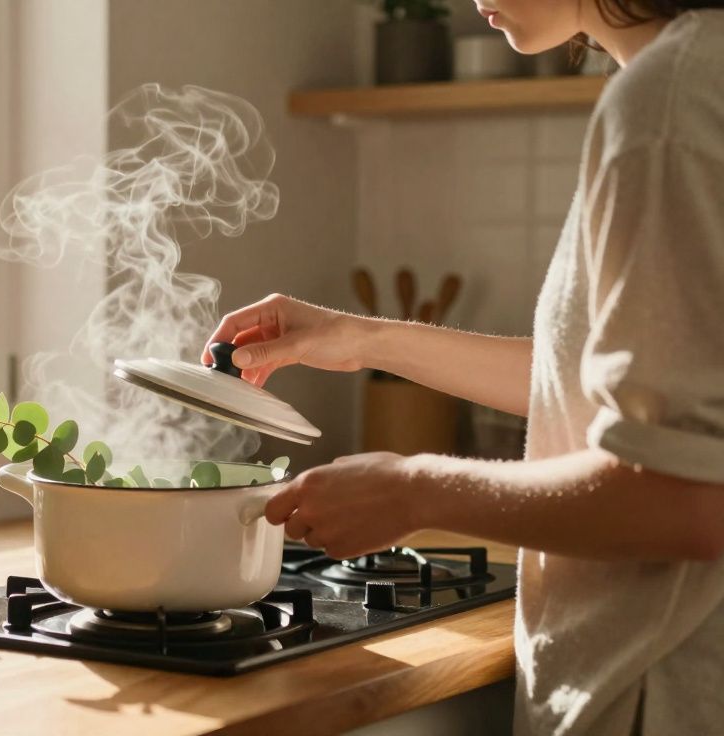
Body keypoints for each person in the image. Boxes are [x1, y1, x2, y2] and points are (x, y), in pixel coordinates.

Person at [204, 1, 724, 733]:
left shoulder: (669, 104)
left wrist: (415, 491)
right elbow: (591, 385)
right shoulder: (693, 77)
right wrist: (364, 339)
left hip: (665, 692)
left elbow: (686, 497)